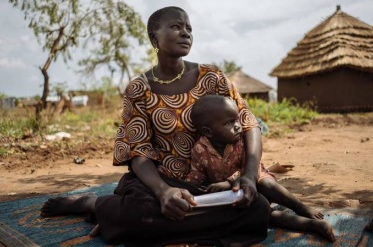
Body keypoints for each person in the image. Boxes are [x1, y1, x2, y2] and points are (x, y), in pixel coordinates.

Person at [41, 6, 271, 247]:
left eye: (189, 29)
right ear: (154, 38)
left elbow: (249, 123)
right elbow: (138, 153)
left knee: (258, 209)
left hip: (210, 186)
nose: (186, 33)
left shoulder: (212, 78)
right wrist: (163, 192)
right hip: (161, 182)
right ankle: (95, 204)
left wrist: (247, 176)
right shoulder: (139, 89)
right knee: (140, 212)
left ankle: (122, 218)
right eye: (176, 26)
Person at [185, 95, 335, 242]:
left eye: (237, 119)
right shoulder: (199, 149)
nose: (238, 125)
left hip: (254, 181)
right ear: (208, 132)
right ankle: (313, 225)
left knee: (267, 184)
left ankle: (300, 207)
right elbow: (196, 172)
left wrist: (229, 182)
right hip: (236, 196)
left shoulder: (241, 143)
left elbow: (248, 169)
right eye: (229, 123)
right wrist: (191, 187)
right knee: (265, 216)